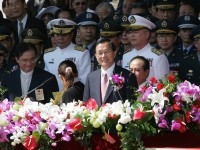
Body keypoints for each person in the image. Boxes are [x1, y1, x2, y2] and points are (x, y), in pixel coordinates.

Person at [83, 38, 138, 106]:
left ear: (114, 53)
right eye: (100, 53)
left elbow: (132, 104)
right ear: (96, 56)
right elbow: (86, 104)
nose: (103, 56)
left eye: (106, 52)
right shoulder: (91, 77)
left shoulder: (127, 76)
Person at [44, 18, 91, 90]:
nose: (60, 38)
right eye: (57, 34)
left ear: (71, 34)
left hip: (74, 95)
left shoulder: (82, 53)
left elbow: (84, 79)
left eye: (64, 35)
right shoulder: (48, 54)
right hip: (53, 97)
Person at [122, 15, 169, 81]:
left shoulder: (158, 57)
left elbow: (163, 85)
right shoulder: (126, 55)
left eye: (136, 32)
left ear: (147, 34)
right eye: (130, 32)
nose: (132, 35)